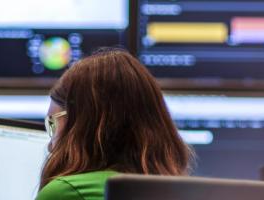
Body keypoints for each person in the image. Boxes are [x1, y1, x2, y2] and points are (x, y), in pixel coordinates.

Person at [36, 49, 194, 200]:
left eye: (52, 123)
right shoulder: (182, 192)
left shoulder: (66, 192)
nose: (50, 146)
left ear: (82, 126)